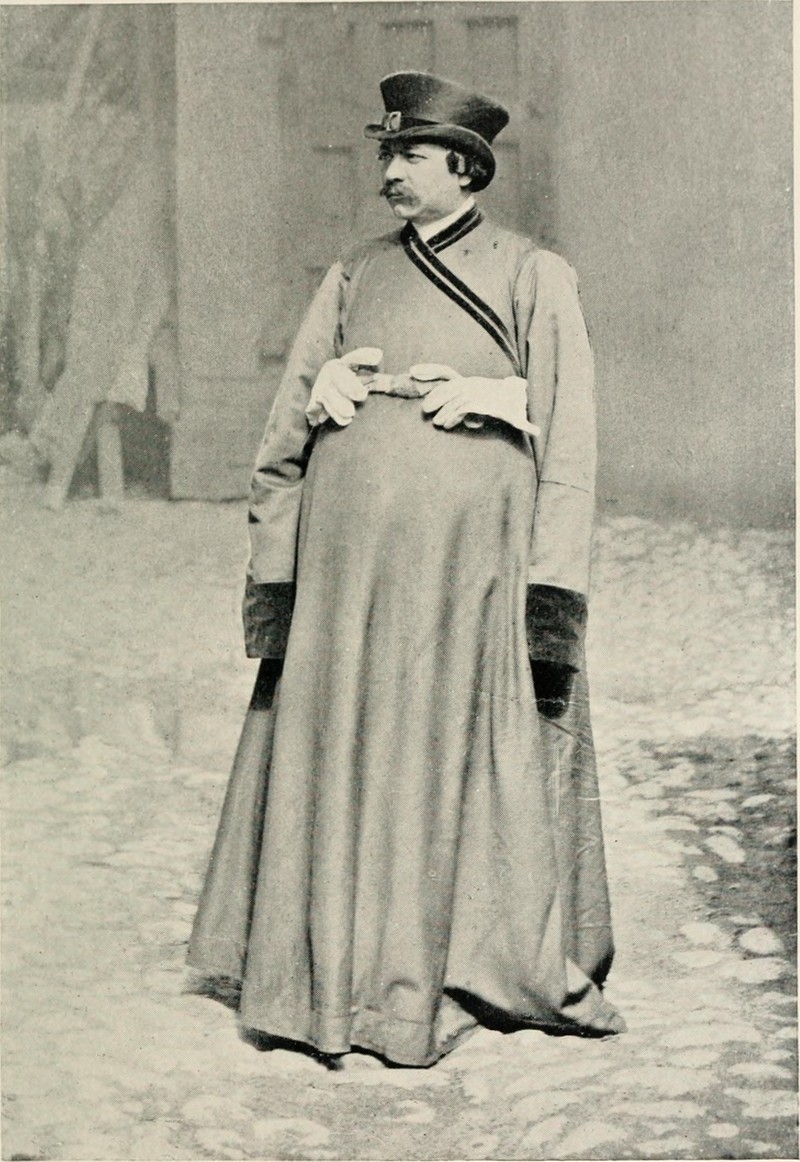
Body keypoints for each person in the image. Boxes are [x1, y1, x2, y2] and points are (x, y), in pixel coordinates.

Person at [187, 70, 625, 1067]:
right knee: (347, 743)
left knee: (439, 752)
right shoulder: (353, 272)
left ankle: (424, 976)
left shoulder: (533, 272)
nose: (388, 171)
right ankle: (324, 975)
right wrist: (322, 399)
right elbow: (285, 424)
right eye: (386, 153)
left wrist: (503, 402)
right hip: (350, 574)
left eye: (409, 155)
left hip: (464, 572)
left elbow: (570, 435)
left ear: (463, 167)